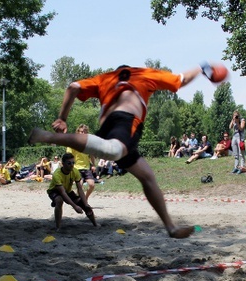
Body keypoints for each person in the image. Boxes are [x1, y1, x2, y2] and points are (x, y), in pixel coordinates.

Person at [28, 63, 217, 238]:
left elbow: (73, 87)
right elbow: (181, 79)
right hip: (125, 121)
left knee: (147, 176)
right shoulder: (143, 74)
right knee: (112, 151)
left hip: (109, 126)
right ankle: (48, 137)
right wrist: (202, 68)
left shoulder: (106, 78)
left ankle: (171, 227)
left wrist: (62, 118)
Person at [47, 152, 97, 230]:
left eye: (73, 162)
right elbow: (62, 193)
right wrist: (75, 207)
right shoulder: (57, 174)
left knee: (84, 204)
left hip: (67, 191)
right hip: (54, 191)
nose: (72, 165)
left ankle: (95, 224)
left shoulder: (75, 171)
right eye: (69, 163)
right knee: (59, 200)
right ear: (63, 164)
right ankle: (58, 227)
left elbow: (80, 189)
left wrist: (85, 203)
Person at [67, 124, 97, 201]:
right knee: (80, 185)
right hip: (76, 167)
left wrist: (93, 165)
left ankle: (85, 199)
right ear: (78, 132)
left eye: (85, 132)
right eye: (81, 132)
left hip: (86, 168)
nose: (83, 133)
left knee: (92, 185)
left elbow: (92, 155)